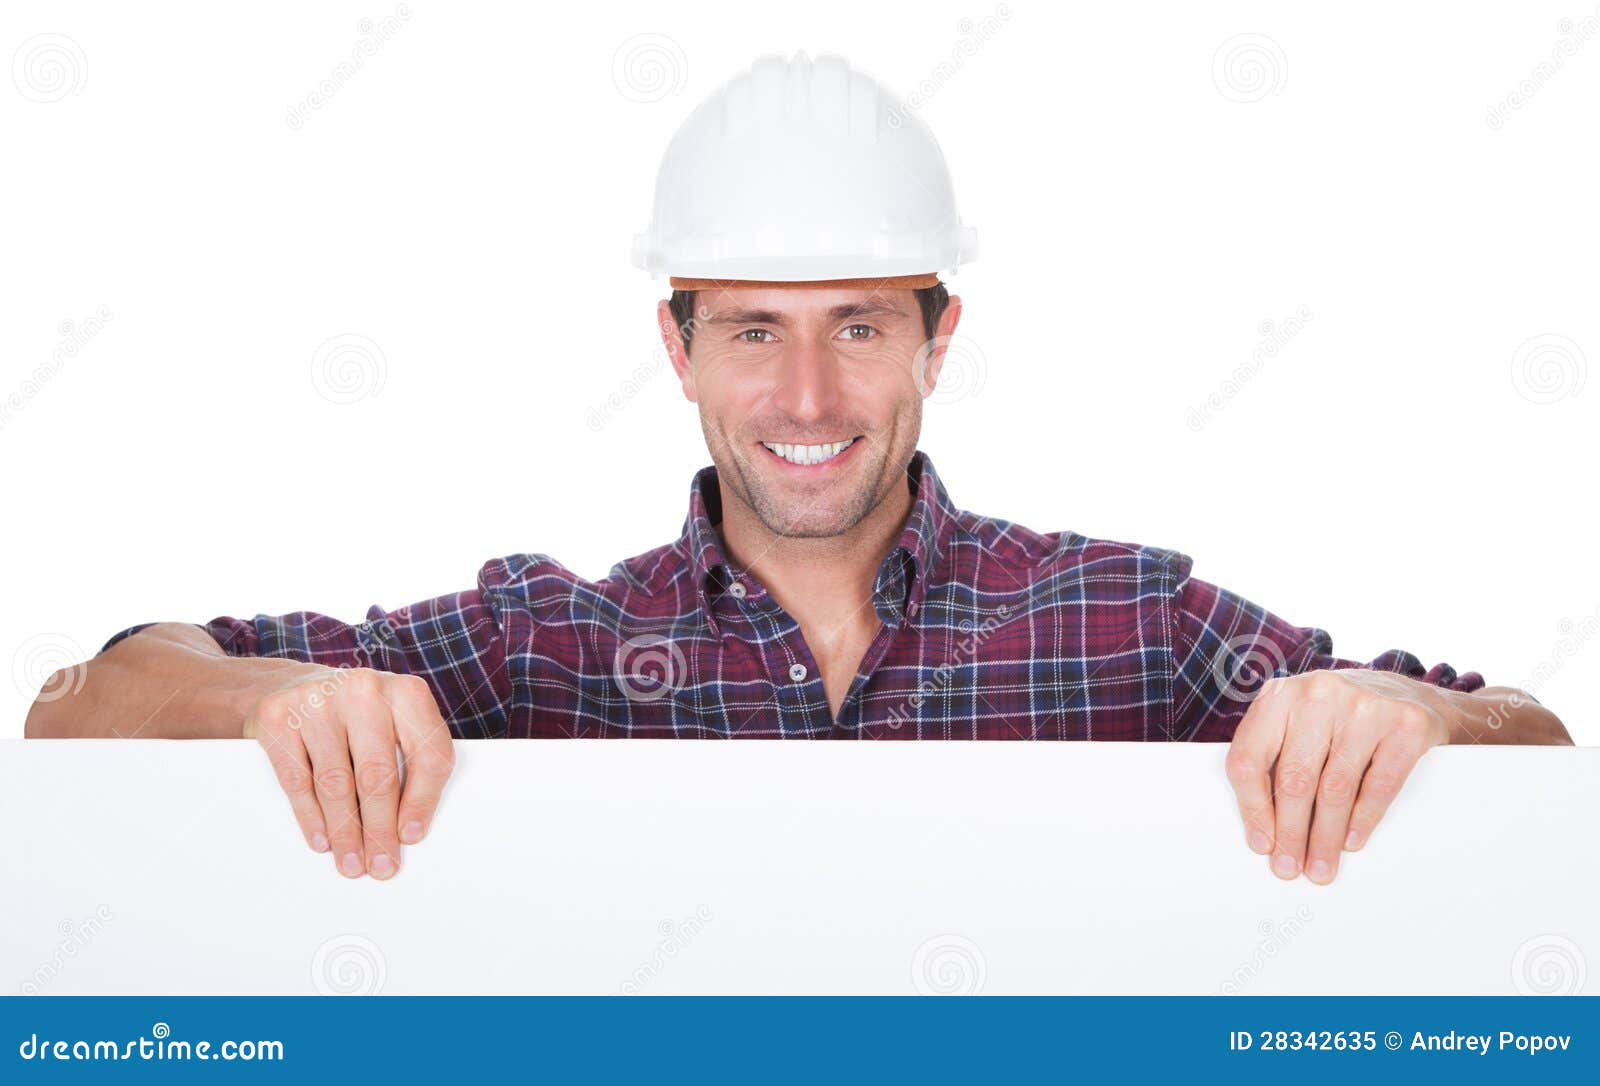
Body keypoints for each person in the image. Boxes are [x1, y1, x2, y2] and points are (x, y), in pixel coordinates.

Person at [26, 54, 1571, 886]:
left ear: (937, 337)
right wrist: (276, 703)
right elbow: (75, 707)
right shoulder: (536, 642)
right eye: (756, 331)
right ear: (678, 345)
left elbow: (1537, 749)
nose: (811, 392)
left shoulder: (1128, 622)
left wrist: (1415, 712)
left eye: (860, 326)